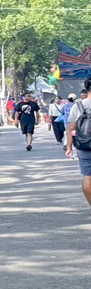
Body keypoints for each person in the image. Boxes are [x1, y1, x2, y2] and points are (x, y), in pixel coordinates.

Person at [64, 80, 91, 210]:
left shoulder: (78, 106)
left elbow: (70, 129)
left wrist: (69, 147)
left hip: (85, 145)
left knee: (88, 177)